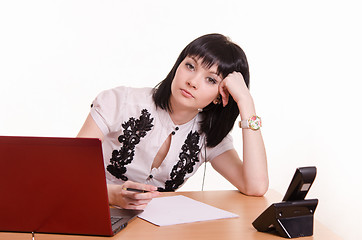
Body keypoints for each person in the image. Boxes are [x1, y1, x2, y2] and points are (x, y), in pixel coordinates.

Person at [77, 33, 268, 210]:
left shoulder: (208, 135)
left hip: (153, 229)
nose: (192, 81)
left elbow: (256, 186)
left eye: (210, 79)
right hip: (88, 208)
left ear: (221, 95)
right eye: (190, 66)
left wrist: (246, 102)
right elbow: (69, 173)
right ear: (178, 65)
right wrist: (112, 195)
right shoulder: (120, 102)